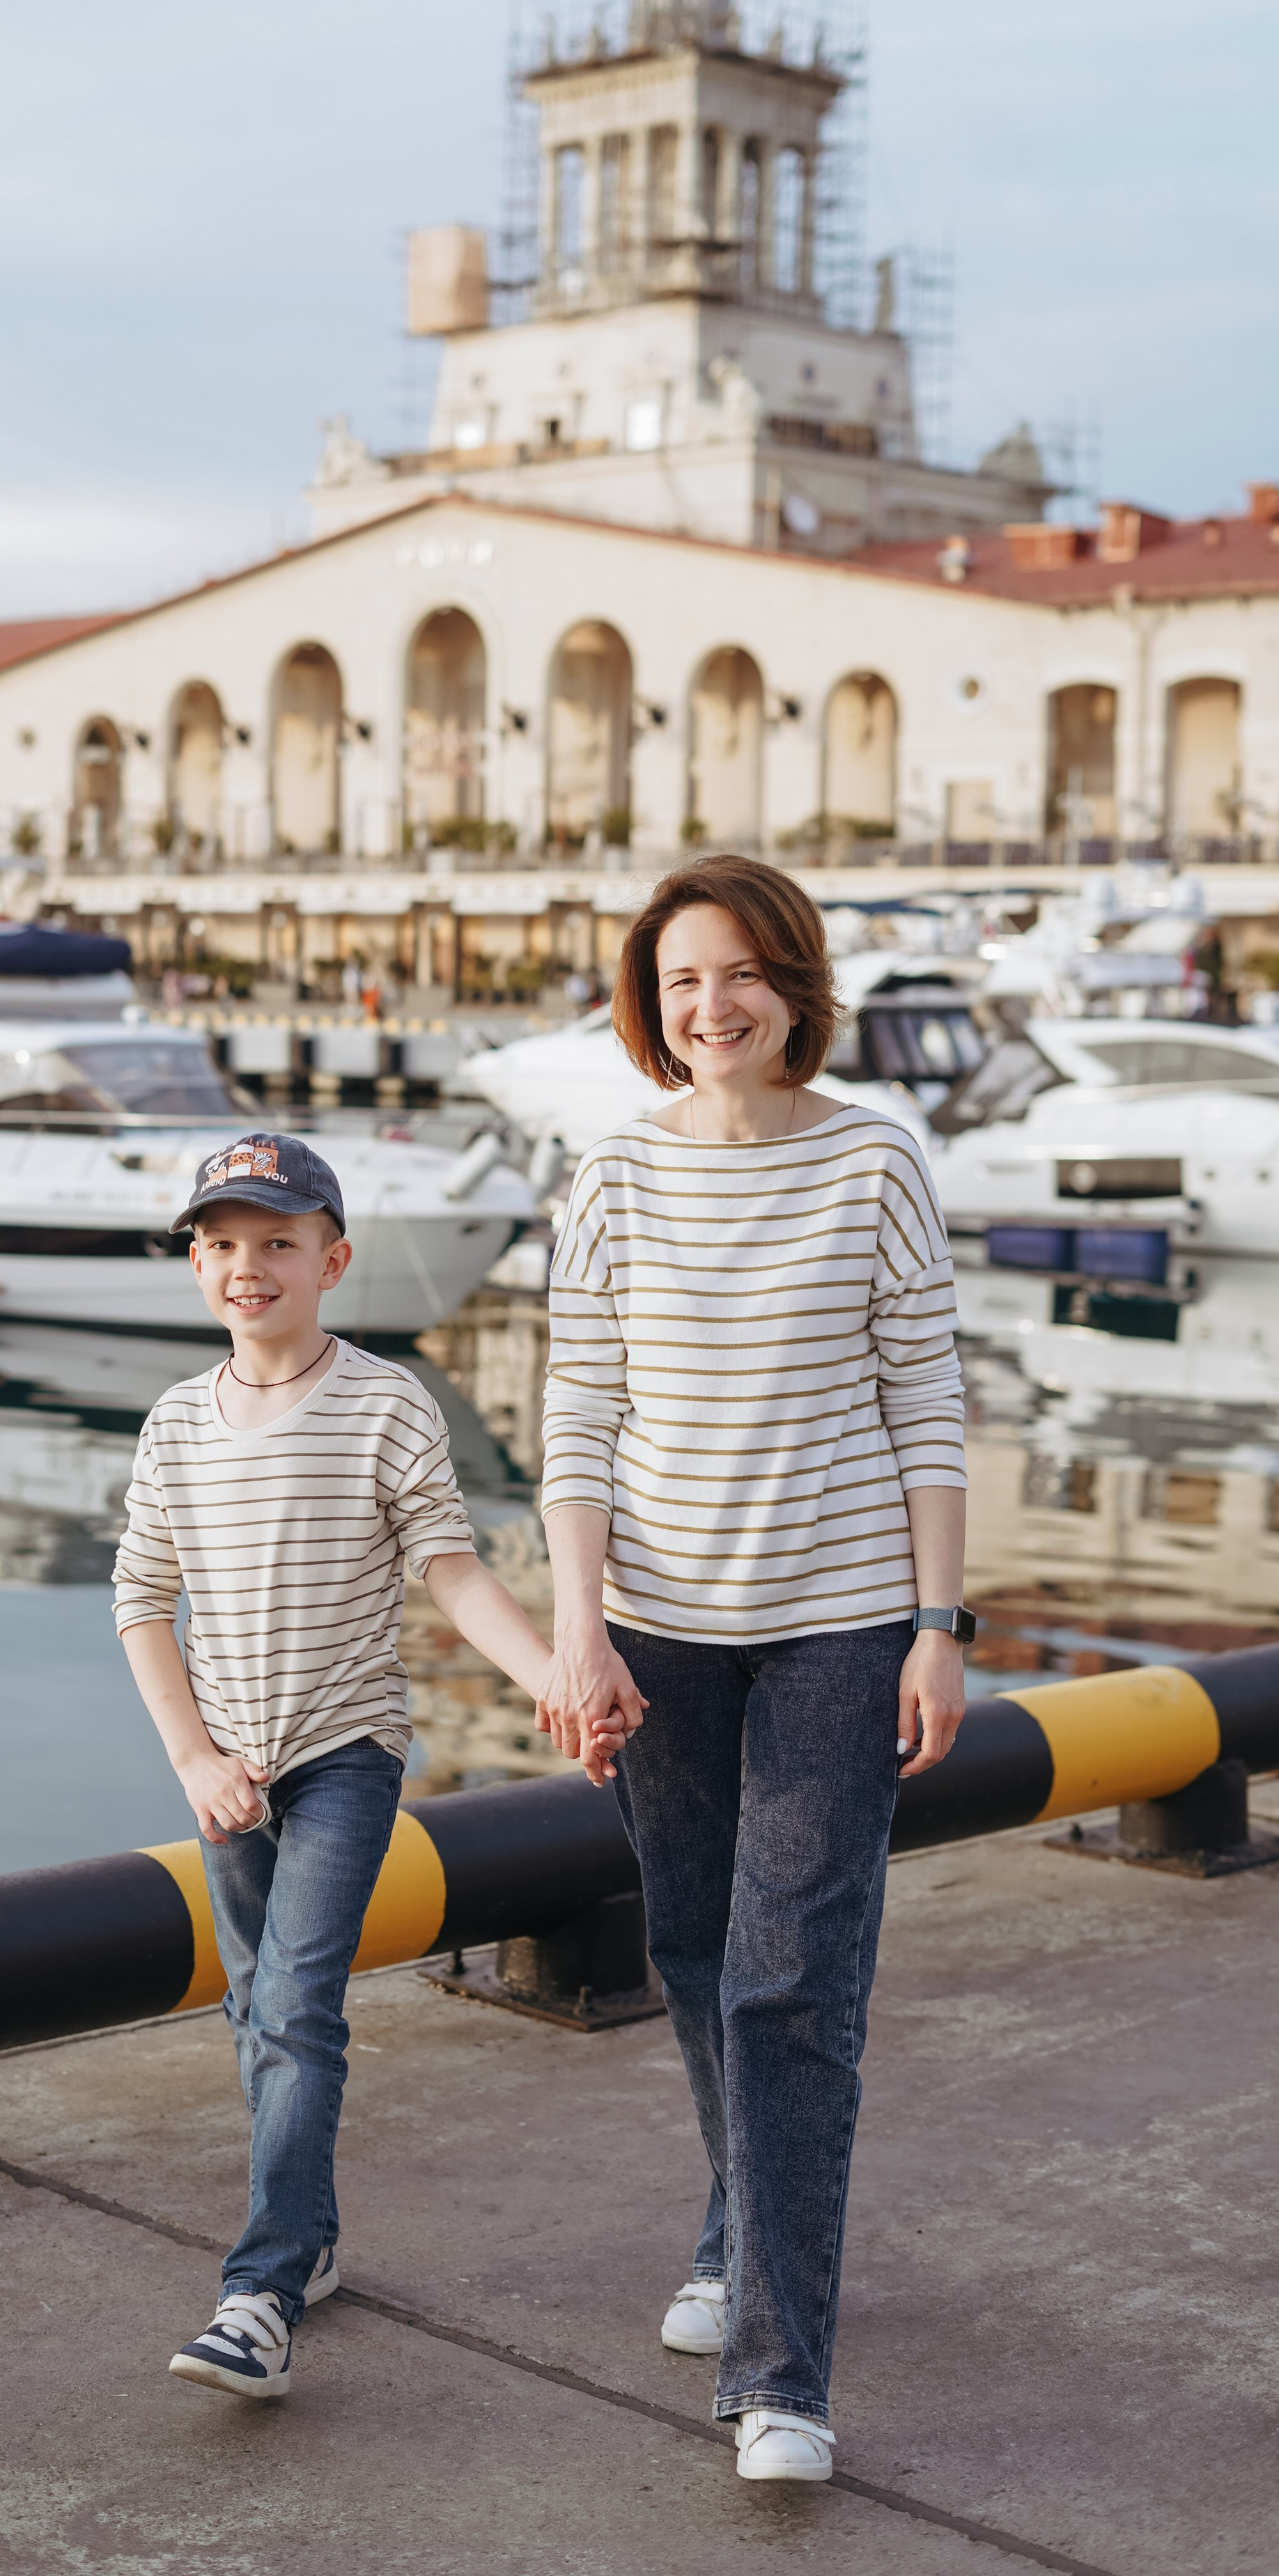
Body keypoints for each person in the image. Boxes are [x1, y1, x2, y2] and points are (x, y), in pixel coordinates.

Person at [537, 857, 969, 2486]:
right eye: (675, 987)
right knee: (693, 1947)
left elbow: (921, 1397)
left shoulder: (872, 1158)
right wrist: (576, 1627)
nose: (707, 1010)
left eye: (736, 977)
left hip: (840, 1626)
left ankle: (782, 2380)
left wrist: (938, 1624)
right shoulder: (613, 1176)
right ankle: (734, 2216)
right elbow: (575, 1417)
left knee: (792, 1979)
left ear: (793, 985)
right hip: (653, 1630)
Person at [114, 1131, 575, 2401]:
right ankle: (308, 2237)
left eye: (277, 1243)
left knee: (298, 2005)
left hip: (344, 1755)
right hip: (228, 1770)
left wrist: (548, 1679)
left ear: (334, 1258)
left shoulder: (385, 1401)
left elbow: (452, 1569)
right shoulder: (174, 1423)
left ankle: (258, 2293)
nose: (247, 1267)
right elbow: (142, 1603)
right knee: (254, 2005)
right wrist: (195, 1757)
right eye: (220, 1245)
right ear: (197, 1267)